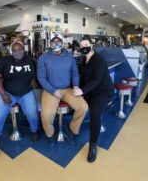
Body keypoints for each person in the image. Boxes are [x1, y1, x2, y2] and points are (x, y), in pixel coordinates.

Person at [37, 32, 88, 145]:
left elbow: (75, 73)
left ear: (62, 42)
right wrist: (53, 91)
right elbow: (41, 77)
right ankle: (50, 134)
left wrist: (75, 86)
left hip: (67, 89)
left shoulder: (69, 56)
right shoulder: (43, 58)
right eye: (53, 41)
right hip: (51, 90)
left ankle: (73, 129)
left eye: (58, 41)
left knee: (83, 107)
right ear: (50, 43)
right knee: (45, 114)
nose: (56, 43)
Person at [0, 40, 39, 153]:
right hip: (8, 93)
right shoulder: (4, 61)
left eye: (20, 49)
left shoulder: (30, 60)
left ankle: (34, 131)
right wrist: (3, 94)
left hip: (26, 93)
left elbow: (32, 74)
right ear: (11, 51)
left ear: (24, 49)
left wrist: (33, 81)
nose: (18, 52)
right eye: (15, 50)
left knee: (33, 115)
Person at [73, 35, 114, 163]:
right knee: (80, 106)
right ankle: (73, 129)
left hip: (103, 92)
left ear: (91, 46)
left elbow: (96, 79)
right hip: (90, 92)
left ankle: (93, 145)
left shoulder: (99, 59)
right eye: (82, 46)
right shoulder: (84, 60)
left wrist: (82, 91)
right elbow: (83, 78)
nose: (84, 47)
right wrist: (77, 86)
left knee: (95, 114)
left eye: (86, 45)